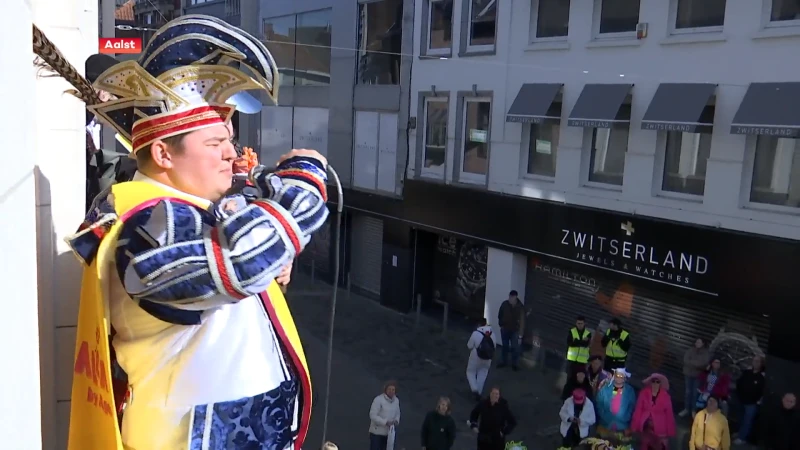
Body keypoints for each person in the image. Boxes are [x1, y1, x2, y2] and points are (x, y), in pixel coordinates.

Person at [65, 15, 329, 450]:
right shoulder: (144, 228)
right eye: (214, 144)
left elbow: (245, 257)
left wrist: (272, 259)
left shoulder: (187, 212)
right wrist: (304, 182)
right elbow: (239, 262)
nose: (230, 153)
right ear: (163, 153)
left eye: (228, 138)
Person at [631, 373, 675, 450]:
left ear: (660, 384)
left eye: (657, 382)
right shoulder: (643, 393)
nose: (655, 383)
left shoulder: (666, 396)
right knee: (645, 445)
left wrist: (670, 431)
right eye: (653, 381)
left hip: (660, 428)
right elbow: (638, 410)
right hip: (646, 427)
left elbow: (669, 414)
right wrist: (635, 426)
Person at [594, 368, 636, 447]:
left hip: (622, 427)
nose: (619, 378)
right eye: (617, 375)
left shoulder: (630, 391)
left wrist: (626, 417)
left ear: (624, 378)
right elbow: (599, 403)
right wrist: (604, 415)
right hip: (605, 425)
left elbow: (632, 406)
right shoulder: (605, 388)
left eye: (621, 376)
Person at [733, 355, 765, 445]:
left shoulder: (762, 377)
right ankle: (739, 433)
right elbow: (739, 382)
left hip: (751, 403)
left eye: (758, 361)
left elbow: (762, 390)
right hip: (741, 400)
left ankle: (742, 438)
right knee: (740, 418)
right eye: (754, 360)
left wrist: (757, 400)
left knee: (747, 421)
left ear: (761, 364)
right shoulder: (747, 372)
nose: (755, 363)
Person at [679, 338, 710, 417]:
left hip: (697, 376)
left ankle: (693, 410)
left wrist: (691, 363)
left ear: (703, 343)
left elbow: (703, 363)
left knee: (695, 394)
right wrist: (695, 364)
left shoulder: (705, 353)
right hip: (688, 375)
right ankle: (686, 409)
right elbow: (685, 360)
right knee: (687, 393)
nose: (697, 343)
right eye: (696, 341)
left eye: (699, 342)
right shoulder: (690, 350)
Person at [497, 290, 525, 371]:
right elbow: (500, 314)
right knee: (505, 346)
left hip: (514, 331)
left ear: (515, 298)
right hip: (505, 329)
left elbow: (522, 322)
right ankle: (504, 362)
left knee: (515, 348)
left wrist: (520, 335)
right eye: (509, 297)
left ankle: (514, 364)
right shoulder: (505, 304)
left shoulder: (520, 307)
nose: (510, 299)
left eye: (512, 297)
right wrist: (501, 324)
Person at [369, 381, 401, 450]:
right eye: (389, 389)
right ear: (385, 390)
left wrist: (396, 421)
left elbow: (397, 413)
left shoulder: (396, 401)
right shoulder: (378, 400)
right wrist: (385, 422)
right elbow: (372, 415)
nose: (391, 391)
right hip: (376, 433)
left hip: (389, 434)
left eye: (393, 390)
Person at [467, 318, 494, 400]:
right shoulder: (493, 334)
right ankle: (479, 392)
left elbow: (469, 346)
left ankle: (474, 389)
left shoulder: (476, 333)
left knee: (470, 372)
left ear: (478, 324)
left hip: (476, 356)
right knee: (483, 373)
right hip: (488, 358)